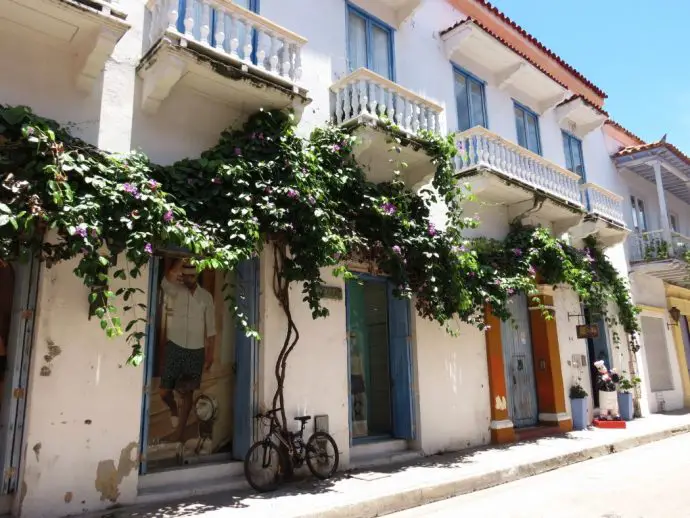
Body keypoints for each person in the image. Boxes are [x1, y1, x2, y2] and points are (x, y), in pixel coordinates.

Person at [159, 258, 216, 442]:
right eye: (186, 275)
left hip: (196, 350)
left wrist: (210, 354)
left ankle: (179, 434)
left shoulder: (206, 297)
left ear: (196, 275)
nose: (189, 278)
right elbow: (166, 280)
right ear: (183, 275)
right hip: (175, 345)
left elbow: (211, 328)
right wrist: (179, 261)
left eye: (192, 275)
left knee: (188, 393)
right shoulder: (176, 291)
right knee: (164, 392)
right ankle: (172, 408)